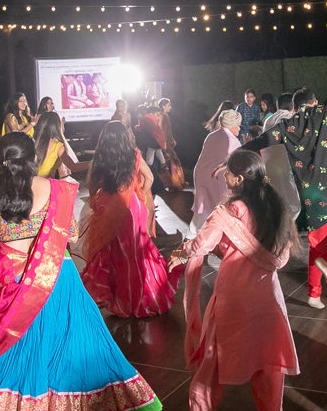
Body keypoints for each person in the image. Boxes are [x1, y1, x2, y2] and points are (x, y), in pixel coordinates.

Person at [0, 132, 162, 411]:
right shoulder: (54, 190)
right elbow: (71, 236)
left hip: (11, 282)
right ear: (32, 158)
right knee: (68, 345)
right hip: (56, 277)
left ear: (0, 159)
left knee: (16, 346)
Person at [169, 150, 299, 411]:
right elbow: (282, 254)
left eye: (227, 172)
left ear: (238, 179)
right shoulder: (275, 205)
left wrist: (182, 251)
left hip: (234, 298)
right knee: (269, 366)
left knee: (213, 359)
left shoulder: (228, 212)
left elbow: (202, 244)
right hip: (268, 298)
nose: (223, 176)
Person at [244, 87, 327, 310]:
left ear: (295, 107)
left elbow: (260, 141)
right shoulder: (326, 111)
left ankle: (314, 295)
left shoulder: (287, 125)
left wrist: (230, 159)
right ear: (315, 103)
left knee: (318, 243)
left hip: (309, 192)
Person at [79, 122, 183, 317]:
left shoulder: (101, 157)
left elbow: (91, 185)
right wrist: (139, 195)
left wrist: (97, 201)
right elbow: (150, 177)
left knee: (113, 253)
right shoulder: (134, 155)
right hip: (133, 208)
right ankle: (145, 296)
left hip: (109, 207)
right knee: (137, 251)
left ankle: (119, 299)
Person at [189, 109, 242, 235]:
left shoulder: (211, 135)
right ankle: (219, 240)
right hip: (218, 177)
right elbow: (239, 162)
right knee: (223, 210)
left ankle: (191, 238)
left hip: (201, 174)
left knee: (202, 210)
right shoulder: (233, 140)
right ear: (232, 125)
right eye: (238, 125)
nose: (239, 128)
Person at [261, 93, 301, 221]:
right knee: (293, 203)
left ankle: (278, 228)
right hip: (284, 163)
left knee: (276, 198)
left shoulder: (269, 119)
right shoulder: (290, 118)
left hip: (268, 163)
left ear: (277, 105)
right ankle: (285, 231)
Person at [35, 112, 88, 179]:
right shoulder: (58, 147)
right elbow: (74, 167)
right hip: (47, 185)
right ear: (56, 126)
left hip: (32, 183)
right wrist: (93, 162)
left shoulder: (34, 142)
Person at [159, 97, 187, 192]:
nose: (170, 107)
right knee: (172, 162)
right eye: (168, 106)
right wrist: (166, 142)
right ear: (163, 106)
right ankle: (174, 183)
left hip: (167, 141)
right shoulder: (163, 116)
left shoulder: (164, 116)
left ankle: (175, 183)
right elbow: (163, 131)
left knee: (172, 161)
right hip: (166, 142)